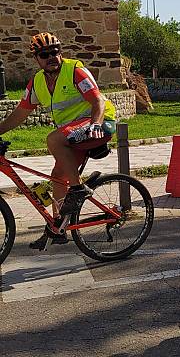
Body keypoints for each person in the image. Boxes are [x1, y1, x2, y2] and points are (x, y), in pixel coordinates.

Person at [0, 32, 117, 248]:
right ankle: (59, 228)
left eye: (55, 51)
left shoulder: (75, 70)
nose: (52, 56)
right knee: (57, 177)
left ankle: (78, 189)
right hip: (72, 133)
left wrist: (95, 124)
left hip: (98, 124)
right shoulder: (37, 83)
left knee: (53, 139)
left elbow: (98, 101)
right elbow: (20, 113)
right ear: (36, 58)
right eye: (45, 54)